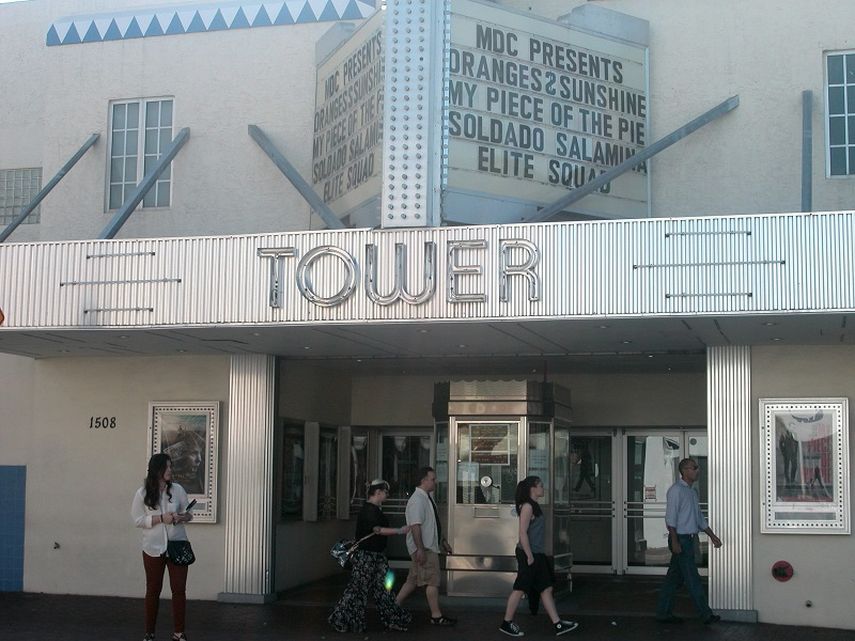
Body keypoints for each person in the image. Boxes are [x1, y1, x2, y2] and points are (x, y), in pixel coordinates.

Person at [328, 479, 413, 633]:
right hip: (368, 557)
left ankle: (347, 620)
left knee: (367, 590)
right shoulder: (369, 511)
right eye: (385, 492)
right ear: (378, 492)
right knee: (368, 590)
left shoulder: (371, 510)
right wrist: (400, 530)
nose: (387, 495)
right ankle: (344, 619)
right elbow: (378, 530)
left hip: (372, 557)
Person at [499, 476, 579, 637]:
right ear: (533, 488)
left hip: (536, 553)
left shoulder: (534, 506)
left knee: (546, 587)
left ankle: (557, 624)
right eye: (541, 486)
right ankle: (506, 622)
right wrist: (529, 555)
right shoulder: (528, 506)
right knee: (520, 588)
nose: (543, 488)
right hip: (528, 553)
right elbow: (522, 532)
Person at [131, 453, 194, 641]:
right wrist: (161, 519)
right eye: (167, 467)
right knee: (153, 589)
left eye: (171, 467)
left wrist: (182, 517)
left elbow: (188, 514)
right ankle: (149, 634)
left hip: (177, 546)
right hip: (152, 547)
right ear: (157, 470)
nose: (170, 470)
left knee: (179, 589)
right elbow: (137, 520)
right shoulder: (142, 493)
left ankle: (179, 633)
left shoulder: (178, 490)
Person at [656, 458, 723, 625]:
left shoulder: (692, 492)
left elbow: (699, 518)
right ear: (685, 470)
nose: (697, 470)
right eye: (694, 468)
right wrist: (675, 540)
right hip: (681, 540)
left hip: (688, 539)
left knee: (674, 580)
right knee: (692, 578)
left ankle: (663, 613)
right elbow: (670, 518)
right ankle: (705, 614)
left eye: (697, 468)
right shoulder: (676, 491)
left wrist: (712, 535)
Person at [395, 467, 457, 626]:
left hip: (427, 546)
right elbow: (416, 526)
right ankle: (436, 616)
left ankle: (393, 606)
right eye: (432, 479)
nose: (435, 482)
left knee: (413, 580)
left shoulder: (427, 498)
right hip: (425, 548)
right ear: (423, 480)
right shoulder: (417, 500)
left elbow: (433, 524)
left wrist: (442, 542)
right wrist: (420, 549)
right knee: (432, 581)